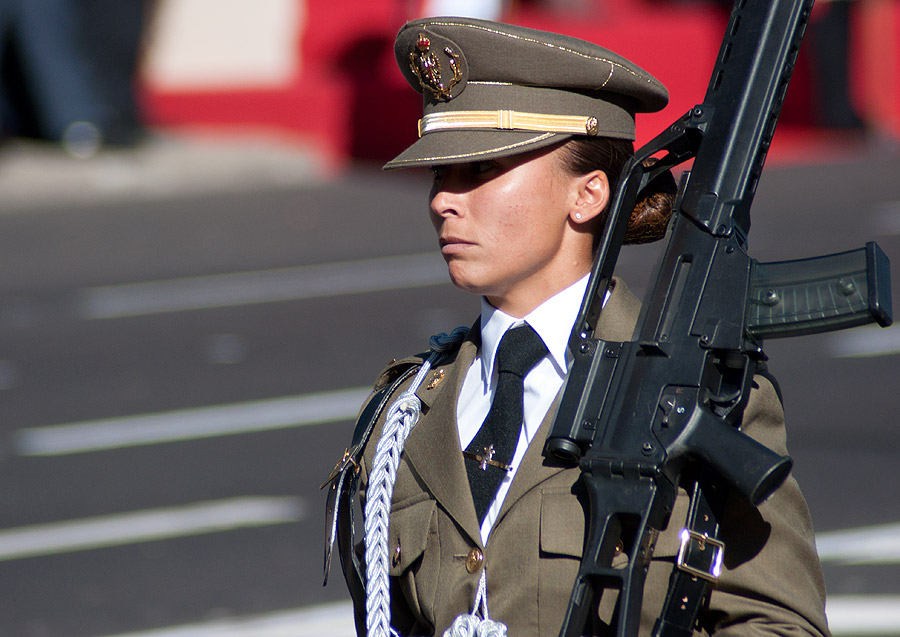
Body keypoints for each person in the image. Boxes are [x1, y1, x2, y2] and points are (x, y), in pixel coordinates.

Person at [324, 16, 830, 637]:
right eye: (440, 175)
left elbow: (781, 624)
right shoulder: (407, 414)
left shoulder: (699, 395)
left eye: (480, 170)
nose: (442, 201)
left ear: (587, 195)